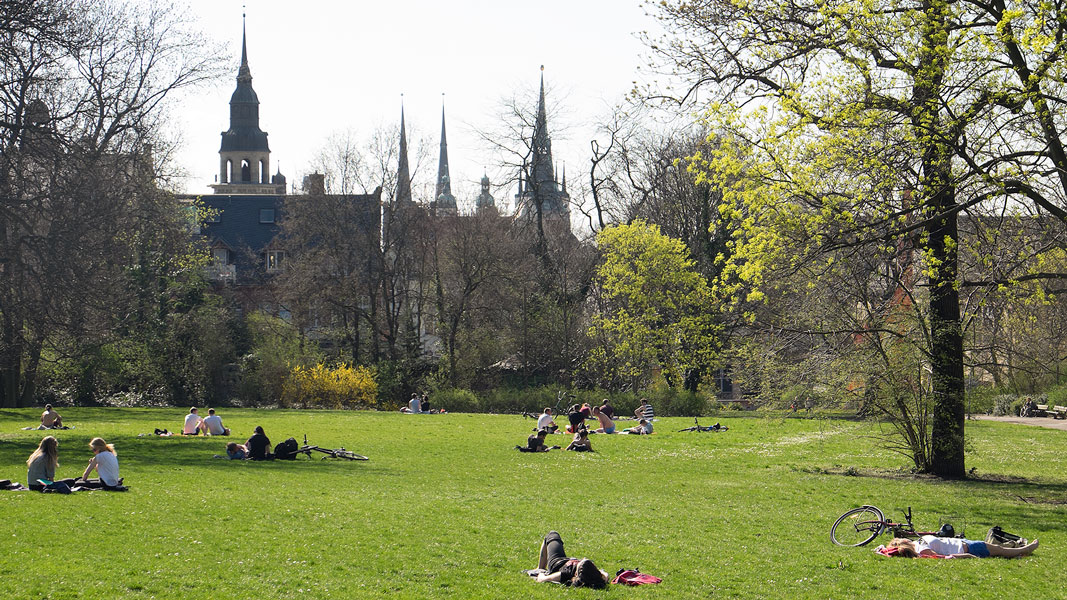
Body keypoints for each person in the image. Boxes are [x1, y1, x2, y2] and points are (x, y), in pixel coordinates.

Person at [530, 531, 609, 588]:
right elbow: (605, 574)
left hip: (557, 562)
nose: (583, 558)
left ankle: (540, 567)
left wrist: (541, 573)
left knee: (552, 535)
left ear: (576, 574)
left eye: (580, 562)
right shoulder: (599, 577)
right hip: (568, 561)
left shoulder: (564, 574)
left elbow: (542, 579)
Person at [887, 536, 1039, 559]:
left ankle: (1019, 551)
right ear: (904, 543)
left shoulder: (918, 543)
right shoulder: (921, 549)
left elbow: (882, 549)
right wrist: (965, 556)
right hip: (968, 548)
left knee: (998, 550)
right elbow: (941, 557)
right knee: (1001, 551)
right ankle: (1025, 550)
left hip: (964, 543)